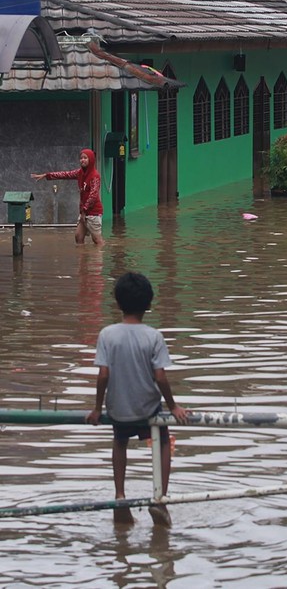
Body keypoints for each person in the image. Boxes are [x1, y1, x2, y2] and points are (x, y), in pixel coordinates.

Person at [86, 272, 189, 526]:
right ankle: (159, 498)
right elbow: (160, 377)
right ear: (149, 304)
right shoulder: (153, 336)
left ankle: (120, 494)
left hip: (118, 408)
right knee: (162, 440)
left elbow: (103, 375)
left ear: (118, 303)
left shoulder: (107, 335)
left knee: (119, 442)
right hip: (148, 409)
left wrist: (98, 408)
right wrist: (173, 405)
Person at [31, 149, 104, 246]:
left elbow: (93, 195)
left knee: (97, 240)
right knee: (78, 237)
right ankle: (82, 259)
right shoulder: (80, 173)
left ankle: (99, 259)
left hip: (93, 212)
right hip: (83, 211)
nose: (82, 160)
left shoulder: (95, 176)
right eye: (81, 158)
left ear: (91, 160)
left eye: (85, 158)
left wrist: (84, 210)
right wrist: (47, 175)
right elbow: (65, 174)